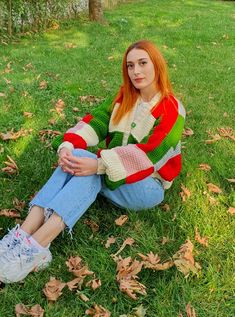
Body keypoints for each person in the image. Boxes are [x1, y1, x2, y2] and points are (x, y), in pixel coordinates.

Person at [0, 40, 186, 283]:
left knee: (91, 167)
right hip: (114, 173)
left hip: (148, 185)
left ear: (157, 65)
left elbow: (149, 156)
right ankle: (24, 234)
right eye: (130, 66)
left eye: (143, 63)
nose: (136, 71)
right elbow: (95, 122)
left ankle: (36, 245)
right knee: (81, 159)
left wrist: (98, 165)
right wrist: (68, 146)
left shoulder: (172, 108)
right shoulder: (124, 97)